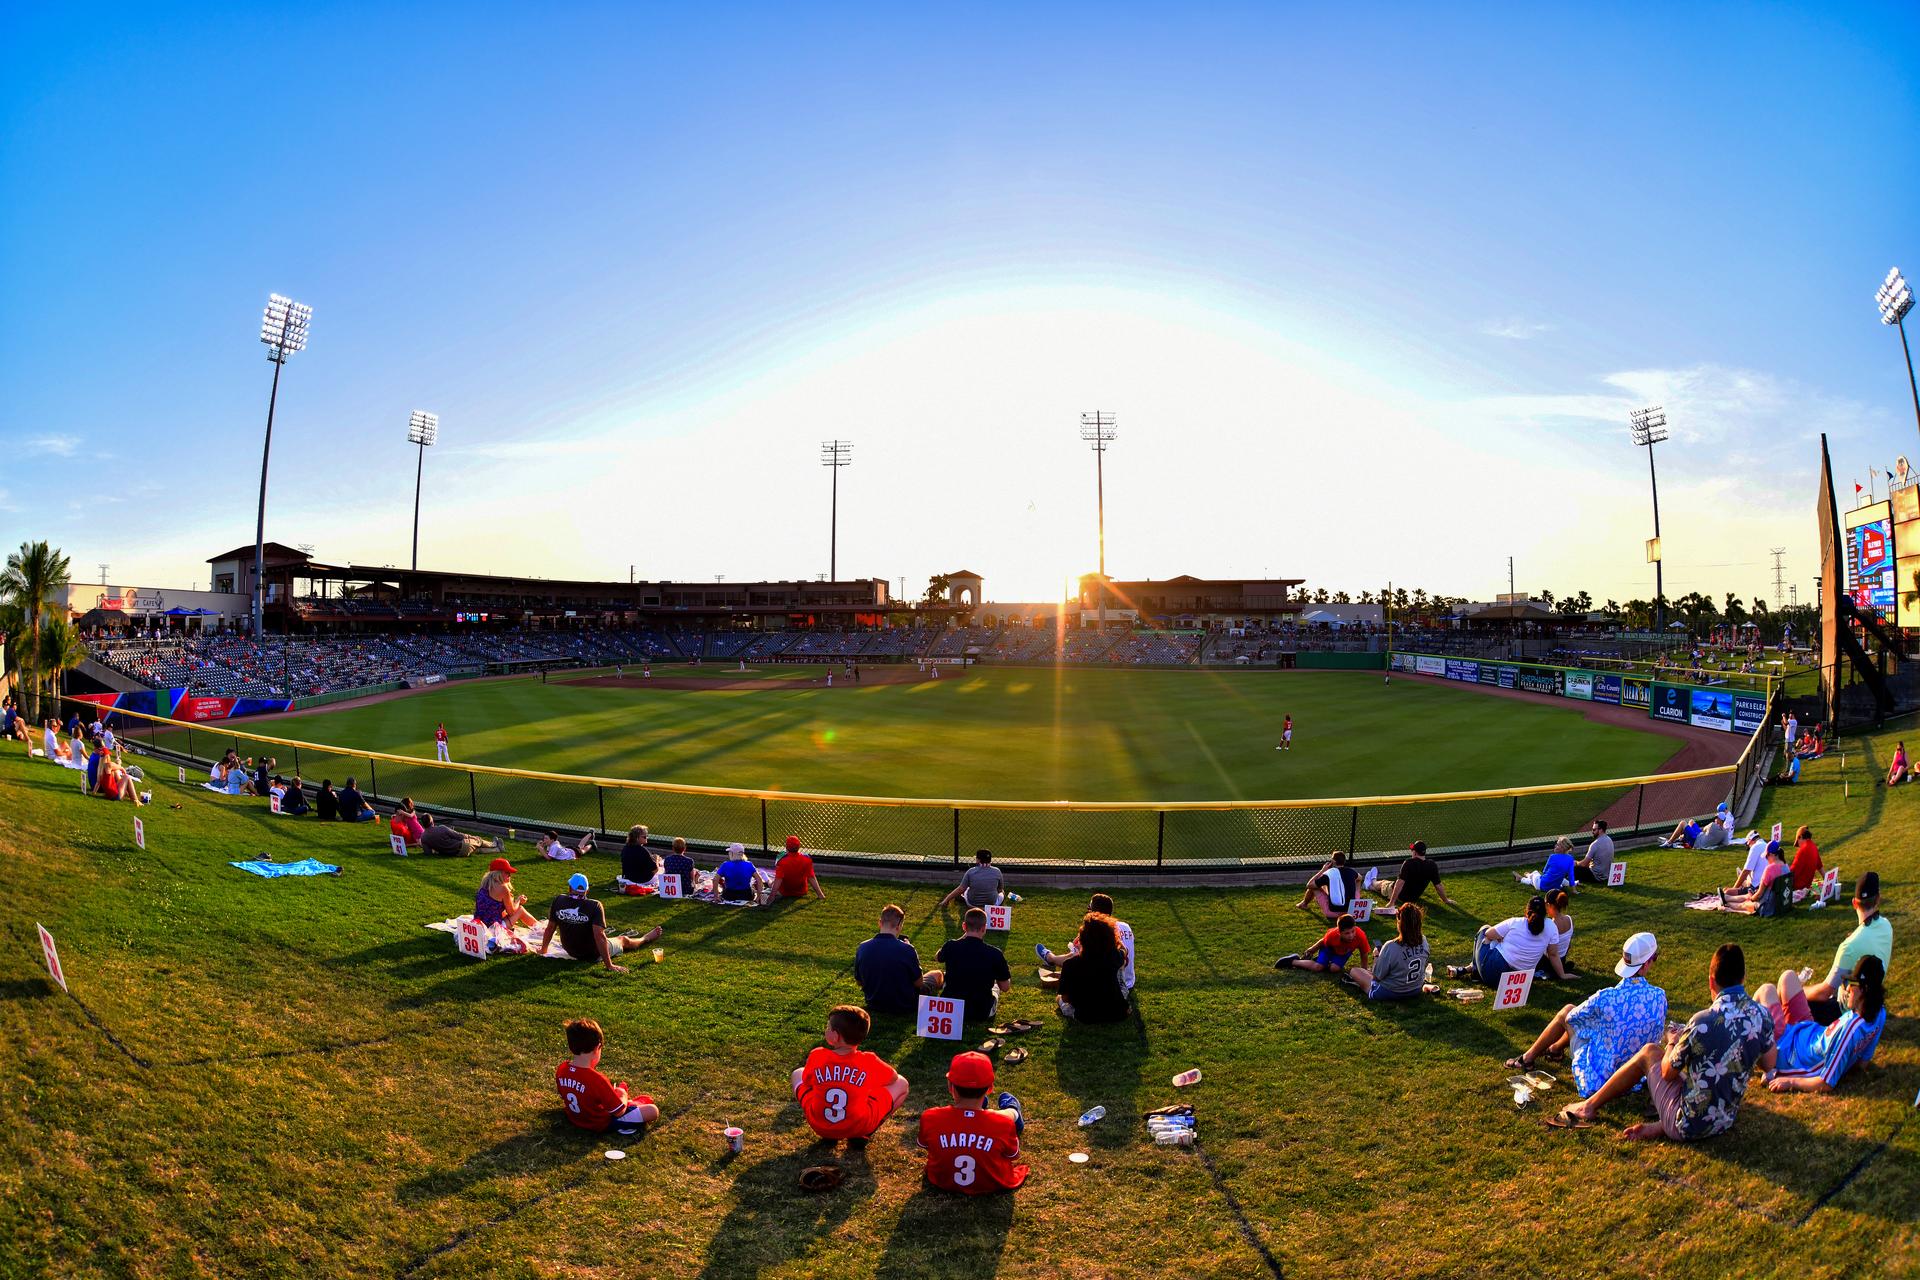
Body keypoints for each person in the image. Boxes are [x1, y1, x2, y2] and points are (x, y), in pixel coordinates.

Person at [1548, 943, 1776, 1141]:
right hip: (1725, 1119)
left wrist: (1671, 1042)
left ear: (1711, 981)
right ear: (1744, 978)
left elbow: (1668, 1073)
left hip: (1690, 1126)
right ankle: (1661, 1124)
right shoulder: (1761, 1015)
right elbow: (1768, 1064)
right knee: (1700, 1076)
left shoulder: (1703, 1022)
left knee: (1649, 1052)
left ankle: (1589, 1106)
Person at [1507, 932, 1665, 1095]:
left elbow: (1572, 1019)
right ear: (1646, 964)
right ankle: (1554, 1049)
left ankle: (1528, 1058)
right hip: (1634, 1076)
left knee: (1567, 1011)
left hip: (1600, 1078)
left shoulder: (1605, 998)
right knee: (1590, 1024)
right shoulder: (1660, 996)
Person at [1759, 957, 1887, 1094]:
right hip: (1807, 1031)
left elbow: (1826, 1083)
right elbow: (1863, 1062)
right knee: (1788, 977)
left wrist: (1790, 1081)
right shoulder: (1880, 1012)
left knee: (1766, 991)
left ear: (1864, 989)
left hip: (1787, 1053)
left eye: (1852, 983)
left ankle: (1751, 1056)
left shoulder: (1850, 1029)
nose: (1848, 988)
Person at [790, 1005, 911, 1144]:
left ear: (835, 1036)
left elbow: (807, 1081)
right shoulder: (869, 1060)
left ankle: (830, 1135)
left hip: (820, 1126)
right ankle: (865, 1133)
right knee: (902, 1083)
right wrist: (864, 1085)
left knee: (797, 1073)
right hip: (858, 1126)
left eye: (828, 1027)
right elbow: (894, 1078)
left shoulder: (817, 1055)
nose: (826, 1029)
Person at [916, 1051, 1028, 1194]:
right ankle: (1012, 1110)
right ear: (990, 1088)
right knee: (1006, 1116)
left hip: (941, 1181)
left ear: (950, 1087)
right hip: (993, 1184)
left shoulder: (930, 1116)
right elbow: (1012, 1155)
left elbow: (926, 1145)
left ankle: (982, 1108)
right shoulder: (1004, 1124)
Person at [1803, 872, 1891, 1018]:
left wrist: (1800, 991)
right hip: (1873, 1002)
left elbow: (1825, 993)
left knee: (1799, 1000)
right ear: (1878, 899)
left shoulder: (1849, 947)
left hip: (1847, 1011)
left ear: (1854, 903)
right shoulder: (1886, 926)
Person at [538, 873, 662, 972]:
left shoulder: (559, 900)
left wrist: (544, 950)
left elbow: (550, 928)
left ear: (570, 888)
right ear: (587, 890)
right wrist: (609, 965)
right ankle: (645, 938)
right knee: (623, 939)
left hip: (570, 949)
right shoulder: (594, 905)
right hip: (592, 954)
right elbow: (600, 936)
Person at [555, 1018, 658, 1132]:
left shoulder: (562, 1069)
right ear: (597, 1048)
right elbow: (619, 1112)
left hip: (574, 1118)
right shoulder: (597, 1080)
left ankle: (632, 1104)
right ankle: (629, 1110)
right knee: (652, 1110)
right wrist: (622, 1095)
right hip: (601, 1123)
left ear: (571, 1047)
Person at [1037, 893, 1136, 995]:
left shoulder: (1094, 930)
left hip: (1104, 984)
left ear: (1092, 912)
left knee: (1075, 957)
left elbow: (1079, 957)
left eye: (1089, 908)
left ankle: (1051, 958)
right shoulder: (1125, 926)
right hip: (1126, 983)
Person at [854, 904, 944, 1016]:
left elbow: (859, 981)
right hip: (905, 1004)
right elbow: (919, 983)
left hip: (874, 1002)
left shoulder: (863, 947)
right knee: (937, 974)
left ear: (880, 922)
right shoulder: (907, 949)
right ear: (899, 926)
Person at [1452, 896, 1563, 983]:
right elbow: (1553, 954)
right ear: (1545, 912)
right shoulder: (1552, 927)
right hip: (1521, 980)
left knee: (1484, 929)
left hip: (1493, 974)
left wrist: (1501, 937)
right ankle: (1470, 969)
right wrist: (1562, 974)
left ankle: (1475, 972)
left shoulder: (1515, 922)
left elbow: (1488, 934)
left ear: (1526, 912)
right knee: (1494, 940)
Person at [934, 908, 1012, 1024]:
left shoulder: (950, 946)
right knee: (995, 986)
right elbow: (1005, 987)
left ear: (964, 926)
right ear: (984, 928)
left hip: (951, 1009)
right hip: (980, 1011)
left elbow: (937, 957)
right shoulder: (995, 954)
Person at [1345, 902, 1429, 1000]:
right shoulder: (1424, 941)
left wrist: (1377, 956)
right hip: (1415, 989)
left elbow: (1376, 976)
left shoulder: (1391, 946)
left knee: (1354, 971)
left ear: (1400, 922)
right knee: (1366, 971)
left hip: (1391, 992)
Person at [1055, 913, 1130, 1023]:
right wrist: (1116, 942)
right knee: (1120, 966)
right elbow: (1124, 951)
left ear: (1082, 939)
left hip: (1085, 1016)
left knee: (1060, 999)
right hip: (1117, 1013)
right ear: (1110, 938)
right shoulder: (1114, 957)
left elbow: (1066, 998)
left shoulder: (1070, 964)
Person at [1275, 913, 1373, 975]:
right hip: (1329, 948)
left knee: (1334, 969)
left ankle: (1325, 961)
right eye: (1347, 933)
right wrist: (1312, 949)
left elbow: (1364, 954)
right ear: (1339, 932)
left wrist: (1363, 971)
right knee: (1318, 968)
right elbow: (1323, 941)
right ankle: (1293, 961)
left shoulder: (1360, 935)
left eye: (1352, 931)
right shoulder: (1332, 935)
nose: (1351, 935)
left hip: (1344, 952)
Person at [1718, 840, 1791, 915]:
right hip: (1782, 903)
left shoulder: (1770, 869)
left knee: (1745, 904)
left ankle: (1727, 903)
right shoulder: (1786, 866)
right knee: (1750, 894)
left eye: (1766, 856)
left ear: (1772, 854)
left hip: (1767, 907)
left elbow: (1759, 894)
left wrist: (1752, 899)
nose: (1766, 859)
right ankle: (1726, 898)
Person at [1376, 841, 1455, 909]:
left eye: (1412, 850)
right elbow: (1438, 886)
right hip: (1413, 898)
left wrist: (1391, 902)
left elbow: (1399, 883)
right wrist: (1446, 900)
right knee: (1387, 883)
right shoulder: (1432, 865)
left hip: (1400, 896)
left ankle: (1370, 883)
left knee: (1381, 883)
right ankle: (1372, 881)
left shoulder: (1408, 862)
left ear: (1415, 852)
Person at [475, 856, 540, 936]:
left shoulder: (485, 883)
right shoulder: (503, 888)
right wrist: (518, 900)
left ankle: (540, 928)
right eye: (507, 872)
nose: (510, 875)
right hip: (492, 929)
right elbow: (512, 912)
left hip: (479, 924)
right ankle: (541, 930)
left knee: (504, 912)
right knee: (520, 910)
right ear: (498, 873)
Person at [1297, 850, 1359, 919]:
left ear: (1333, 861)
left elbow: (1309, 885)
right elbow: (1360, 878)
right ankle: (1355, 901)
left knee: (1314, 887)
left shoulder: (1329, 874)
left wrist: (1323, 870)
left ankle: (1304, 904)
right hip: (1351, 911)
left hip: (1333, 913)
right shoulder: (1351, 871)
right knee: (1324, 886)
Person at [420, 813, 503, 858]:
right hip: (461, 846)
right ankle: (494, 844)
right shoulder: (442, 828)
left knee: (476, 850)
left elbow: (428, 853)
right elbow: (459, 836)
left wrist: (437, 847)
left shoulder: (423, 837)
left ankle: (497, 849)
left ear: (423, 824)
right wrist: (472, 837)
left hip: (453, 854)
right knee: (478, 841)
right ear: (432, 821)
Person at [772, 835, 826, 900]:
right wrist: (820, 894)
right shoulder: (807, 859)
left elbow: (778, 879)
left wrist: (771, 897)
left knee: (771, 883)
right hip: (801, 891)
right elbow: (811, 877)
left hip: (784, 892)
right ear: (799, 846)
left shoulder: (781, 860)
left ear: (786, 847)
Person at [1541, 889, 1576, 974]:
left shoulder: (1551, 925)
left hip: (1550, 962)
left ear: (1548, 905)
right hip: (1562, 958)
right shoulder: (1569, 919)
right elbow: (1568, 945)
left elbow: (1549, 952)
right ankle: (1562, 967)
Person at [1574, 820, 1615, 886]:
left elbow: (1584, 864)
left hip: (1596, 876)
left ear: (1600, 830)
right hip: (1607, 875)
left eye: (1594, 830)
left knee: (1573, 868)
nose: (1592, 832)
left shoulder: (1595, 844)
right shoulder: (1609, 840)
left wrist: (1576, 863)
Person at [1788, 825, 1823, 895]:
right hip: (1808, 884)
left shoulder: (1803, 850)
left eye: (1798, 843)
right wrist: (1826, 878)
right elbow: (1819, 865)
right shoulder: (1814, 846)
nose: (1799, 846)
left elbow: (1793, 871)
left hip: (1799, 886)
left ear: (1800, 837)